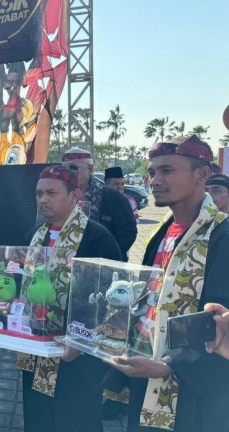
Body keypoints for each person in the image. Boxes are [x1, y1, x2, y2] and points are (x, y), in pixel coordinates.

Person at [107, 135, 229, 432]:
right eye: (152, 172)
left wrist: (171, 365)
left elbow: (220, 317)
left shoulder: (222, 236)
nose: (154, 181)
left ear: (202, 174)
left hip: (195, 390)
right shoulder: (162, 232)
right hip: (147, 367)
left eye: (167, 170)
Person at [17, 166, 121, 432]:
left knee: (75, 419)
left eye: (51, 193)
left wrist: (83, 340)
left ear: (75, 195)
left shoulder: (97, 237)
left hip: (77, 353)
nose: (43, 199)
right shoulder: (34, 235)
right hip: (37, 345)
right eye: (39, 193)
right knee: (38, 416)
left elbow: (112, 301)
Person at [62, 148, 137, 260]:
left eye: (74, 168)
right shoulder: (60, 197)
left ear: (90, 169)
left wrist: (103, 253)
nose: (68, 173)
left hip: (104, 264)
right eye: (64, 169)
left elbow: (128, 233)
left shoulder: (113, 197)